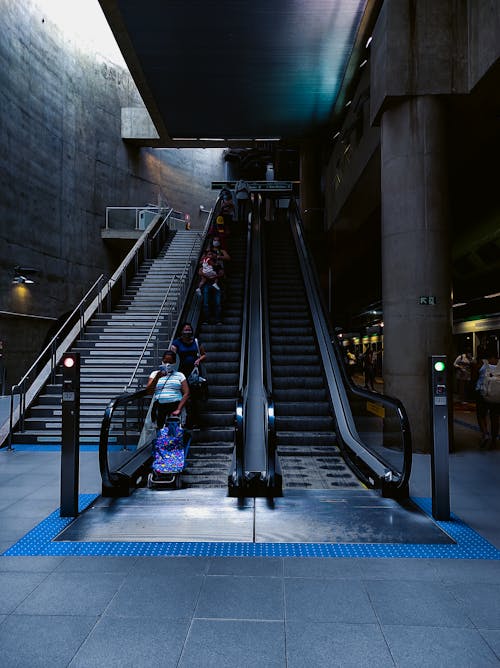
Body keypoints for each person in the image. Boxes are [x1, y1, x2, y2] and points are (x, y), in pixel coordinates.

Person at [146, 350, 190, 428]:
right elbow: (149, 391)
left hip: (175, 404)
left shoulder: (180, 375)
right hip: (160, 406)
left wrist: (179, 409)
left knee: (175, 430)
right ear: (162, 361)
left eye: (170, 362)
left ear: (174, 363)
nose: (167, 364)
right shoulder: (154, 374)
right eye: (165, 361)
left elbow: (186, 393)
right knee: (160, 430)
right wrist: (157, 377)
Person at [474, 345, 500, 449]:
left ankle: (485, 434)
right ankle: (494, 440)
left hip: (482, 394)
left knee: (481, 415)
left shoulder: (481, 363)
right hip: (497, 395)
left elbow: (474, 377)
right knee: (495, 417)